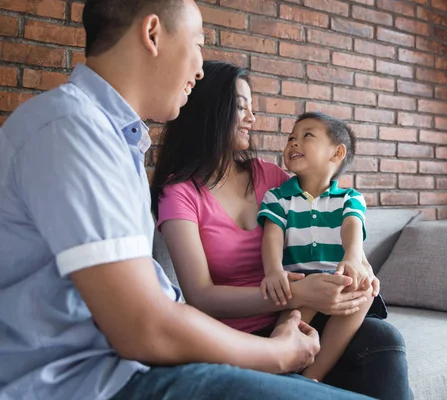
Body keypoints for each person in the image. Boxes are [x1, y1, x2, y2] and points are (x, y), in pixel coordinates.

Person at [0, 1, 373, 399]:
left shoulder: (111, 138)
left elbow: (330, 208)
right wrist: (276, 353)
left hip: (145, 362)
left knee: (377, 342)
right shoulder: (73, 130)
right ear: (153, 34)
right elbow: (145, 327)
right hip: (101, 380)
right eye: (197, 44)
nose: (199, 69)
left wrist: (353, 259)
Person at [151, 61, 412, 400]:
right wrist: (301, 294)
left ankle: (311, 379)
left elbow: (326, 215)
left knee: (382, 339)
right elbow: (200, 295)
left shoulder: (269, 176)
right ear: (209, 110)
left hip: (301, 318)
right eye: (241, 107)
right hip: (240, 337)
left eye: (252, 109)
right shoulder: (179, 193)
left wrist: (356, 260)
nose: (252, 119)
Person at [257, 112, 388, 382]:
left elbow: (352, 227)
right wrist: (273, 271)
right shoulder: (279, 197)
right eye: (291, 138)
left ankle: (314, 376)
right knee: (289, 326)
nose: (294, 143)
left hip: (337, 281)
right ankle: (275, 375)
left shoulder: (350, 198)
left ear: (337, 152)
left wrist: (353, 259)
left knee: (363, 292)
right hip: (301, 285)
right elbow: (272, 235)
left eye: (307, 136)